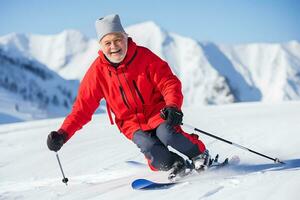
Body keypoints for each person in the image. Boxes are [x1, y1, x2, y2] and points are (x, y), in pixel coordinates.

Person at [47, 14, 210, 179]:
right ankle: (175, 164)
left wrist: (173, 106)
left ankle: (199, 155)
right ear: (101, 45)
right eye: (107, 43)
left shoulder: (144, 57)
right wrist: (62, 134)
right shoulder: (97, 72)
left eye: (117, 39)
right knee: (152, 150)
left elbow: (168, 82)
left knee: (168, 135)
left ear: (125, 37)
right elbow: (82, 108)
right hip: (131, 122)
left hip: (157, 112)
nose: (114, 46)